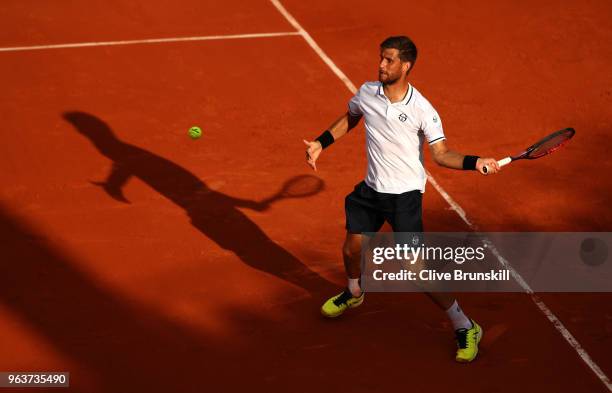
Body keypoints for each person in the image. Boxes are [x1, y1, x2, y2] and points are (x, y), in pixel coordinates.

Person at [303, 36, 500, 363]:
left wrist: (475, 161)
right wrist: (321, 142)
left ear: (405, 66)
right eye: (381, 58)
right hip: (370, 191)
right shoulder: (368, 92)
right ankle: (354, 292)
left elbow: (441, 154)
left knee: (416, 269)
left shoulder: (422, 108)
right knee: (351, 248)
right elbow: (351, 116)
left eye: (389, 60)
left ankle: (465, 324)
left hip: (404, 198)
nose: (381, 65)